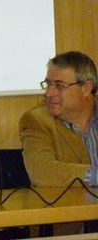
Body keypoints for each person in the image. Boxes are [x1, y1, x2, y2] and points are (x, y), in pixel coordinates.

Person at [19, 51, 98, 187]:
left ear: (86, 88)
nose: (49, 93)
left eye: (60, 85)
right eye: (48, 84)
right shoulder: (36, 120)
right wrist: (94, 176)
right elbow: (41, 171)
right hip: (70, 207)